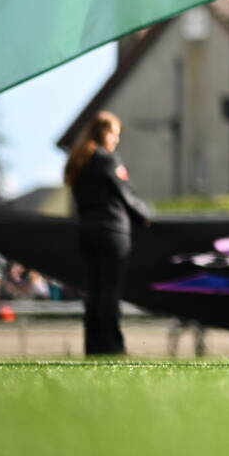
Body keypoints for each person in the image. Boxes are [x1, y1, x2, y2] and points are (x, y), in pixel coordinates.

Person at [65, 111, 152, 356]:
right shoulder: (107, 160)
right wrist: (146, 216)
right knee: (110, 292)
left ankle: (93, 345)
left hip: (87, 231)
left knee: (94, 292)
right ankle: (112, 345)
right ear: (103, 132)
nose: (116, 140)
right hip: (112, 232)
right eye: (114, 134)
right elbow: (127, 194)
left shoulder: (78, 161)